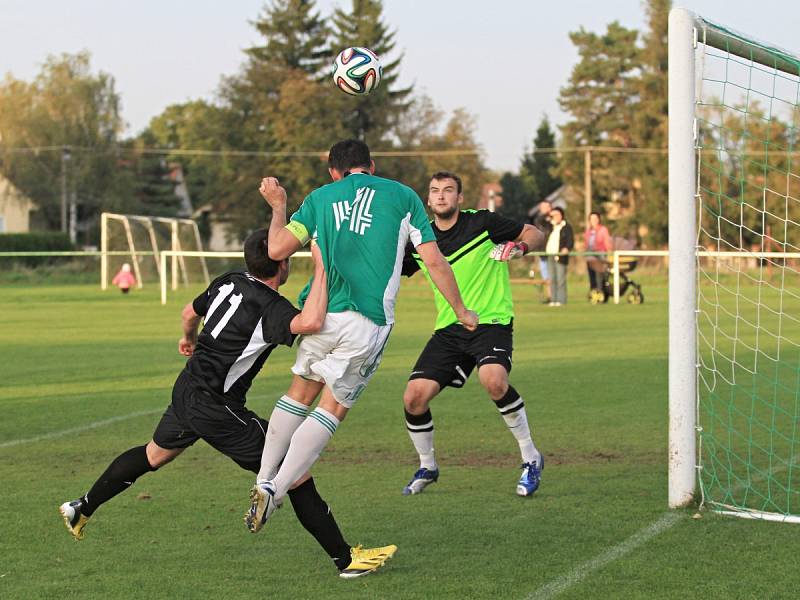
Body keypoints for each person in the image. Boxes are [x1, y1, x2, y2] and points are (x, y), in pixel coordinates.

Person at [58, 228, 396, 579]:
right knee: (294, 472)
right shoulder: (271, 307)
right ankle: (346, 561)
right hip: (215, 406)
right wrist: (322, 265)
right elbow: (310, 322)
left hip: (187, 387)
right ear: (282, 264)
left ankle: (81, 507)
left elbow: (189, 312)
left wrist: (188, 339)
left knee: (154, 454)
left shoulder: (228, 280)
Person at [246, 139, 478, 533]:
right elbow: (433, 260)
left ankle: (264, 478)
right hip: (367, 321)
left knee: (298, 392)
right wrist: (460, 309)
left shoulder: (322, 197)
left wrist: (278, 206)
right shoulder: (403, 197)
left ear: (333, 171)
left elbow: (276, 247)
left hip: (321, 312)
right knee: (332, 407)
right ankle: (279, 490)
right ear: (371, 165)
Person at [399, 171, 546, 497]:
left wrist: (520, 247)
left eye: (448, 190)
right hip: (449, 329)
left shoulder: (482, 223)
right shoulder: (420, 239)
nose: (441, 196)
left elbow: (535, 232)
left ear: (459, 198)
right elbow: (390, 269)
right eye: (435, 190)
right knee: (413, 398)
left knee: (493, 380)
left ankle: (530, 458)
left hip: (491, 322)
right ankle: (428, 465)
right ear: (428, 199)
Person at [545, 207, 574, 306]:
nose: (554, 217)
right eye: (553, 215)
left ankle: (561, 300)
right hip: (550, 255)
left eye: (556, 215)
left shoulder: (566, 227)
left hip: (560, 256)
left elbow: (570, 241)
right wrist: (549, 216)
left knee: (560, 279)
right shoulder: (550, 227)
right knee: (552, 279)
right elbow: (539, 222)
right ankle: (553, 300)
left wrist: (566, 248)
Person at [583, 211, 613, 293]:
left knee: (599, 276)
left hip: (600, 256)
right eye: (592, 218)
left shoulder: (603, 230)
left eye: (595, 218)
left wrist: (609, 254)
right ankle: (593, 292)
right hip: (590, 257)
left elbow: (607, 243)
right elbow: (586, 244)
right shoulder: (588, 232)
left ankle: (600, 292)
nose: (594, 220)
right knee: (591, 276)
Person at [530, 201, 552, 302]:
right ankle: (549, 296)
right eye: (543, 207)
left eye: (547, 207)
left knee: (550, 274)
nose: (546, 209)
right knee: (545, 274)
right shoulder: (540, 219)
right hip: (542, 250)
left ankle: (551, 295)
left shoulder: (553, 218)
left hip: (552, 250)